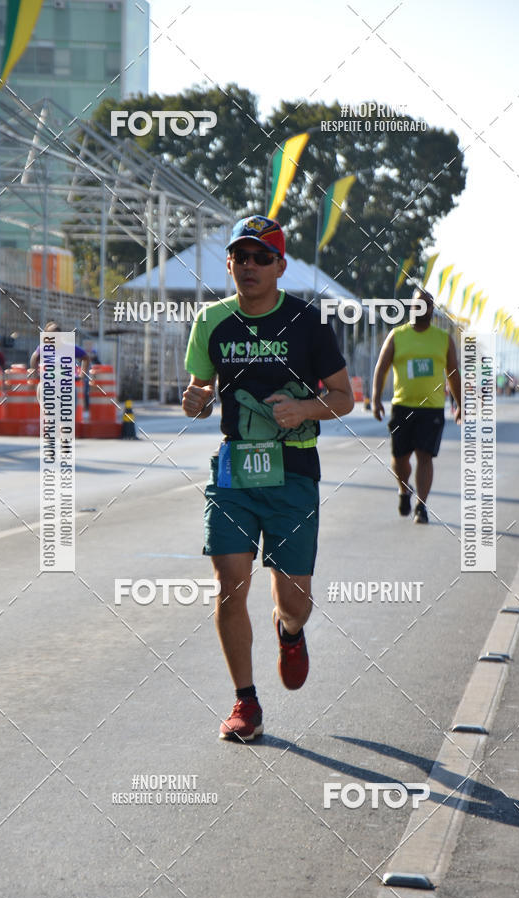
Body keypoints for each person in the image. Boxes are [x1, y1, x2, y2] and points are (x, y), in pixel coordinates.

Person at [182, 215, 354, 742]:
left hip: (294, 474)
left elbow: (345, 398)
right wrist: (194, 399)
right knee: (229, 586)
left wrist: (303, 408)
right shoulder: (212, 321)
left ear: (280, 265)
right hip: (234, 472)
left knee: (294, 602)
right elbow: (197, 390)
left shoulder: (308, 324)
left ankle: (291, 632)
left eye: (261, 257)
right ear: (229, 264)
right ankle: (245, 702)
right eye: (241, 256)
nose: (249, 266)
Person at [371, 287, 462, 524]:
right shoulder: (397, 335)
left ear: (432, 309)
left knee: (425, 456)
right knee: (400, 458)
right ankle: (403, 490)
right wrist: (375, 399)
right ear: (410, 307)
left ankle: (421, 506)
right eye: (416, 304)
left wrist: (460, 404)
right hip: (402, 407)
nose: (421, 308)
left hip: (431, 409)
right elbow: (381, 367)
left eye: (426, 304)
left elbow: (453, 373)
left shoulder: (443, 339)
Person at [30, 321, 90, 403]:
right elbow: (34, 358)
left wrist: (82, 375)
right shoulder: (43, 348)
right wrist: (35, 374)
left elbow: (85, 357)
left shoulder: (69, 348)